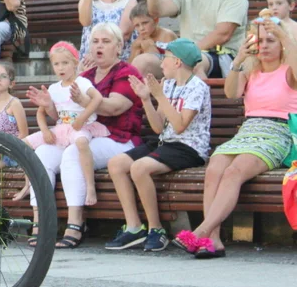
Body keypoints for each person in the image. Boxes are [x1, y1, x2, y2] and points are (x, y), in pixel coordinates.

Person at [176, 19, 297, 258]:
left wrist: (283, 36)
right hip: (248, 130)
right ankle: (214, 240)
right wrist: (238, 61)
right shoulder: (250, 70)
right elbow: (231, 93)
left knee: (234, 172)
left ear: (282, 44)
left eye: (270, 41)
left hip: (278, 131)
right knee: (215, 168)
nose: (264, 46)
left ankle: (202, 230)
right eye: (259, 41)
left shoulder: (289, 69)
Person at [29, 23, 143, 248]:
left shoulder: (126, 72)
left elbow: (113, 108)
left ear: (119, 47)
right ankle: (41, 222)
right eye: (95, 41)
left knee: (73, 154)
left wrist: (84, 102)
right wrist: (49, 105)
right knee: (41, 153)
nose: (99, 46)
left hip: (118, 139)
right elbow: (63, 114)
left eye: (106, 41)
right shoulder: (85, 74)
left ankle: (75, 223)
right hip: (81, 134)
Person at [106, 39, 211, 252]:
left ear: (178, 62)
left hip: (189, 147)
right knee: (116, 164)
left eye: (165, 57)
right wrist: (146, 99)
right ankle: (134, 227)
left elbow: (180, 126)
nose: (160, 61)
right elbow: (157, 127)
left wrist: (159, 96)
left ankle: (156, 229)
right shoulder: (169, 84)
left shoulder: (197, 87)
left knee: (139, 168)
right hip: (166, 141)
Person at [24, 43, 106, 210]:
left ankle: (90, 186)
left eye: (65, 63)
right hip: (62, 129)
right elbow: (41, 113)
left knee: (82, 143)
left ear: (75, 63)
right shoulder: (54, 88)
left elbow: (97, 99)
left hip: (82, 126)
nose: (61, 68)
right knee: (23, 144)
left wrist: (82, 117)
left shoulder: (82, 82)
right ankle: (27, 184)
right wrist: (45, 130)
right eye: (56, 64)